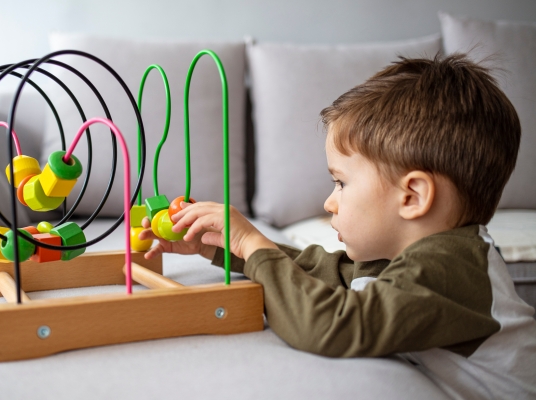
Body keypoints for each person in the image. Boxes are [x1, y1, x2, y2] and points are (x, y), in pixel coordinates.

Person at [139, 54, 536, 399]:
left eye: (341, 182)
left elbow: (333, 327)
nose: (329, 202)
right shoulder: (425, 250)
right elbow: (336, 272)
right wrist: (223, 246)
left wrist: (253, 244)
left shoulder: (450, 268)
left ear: (412, 197)